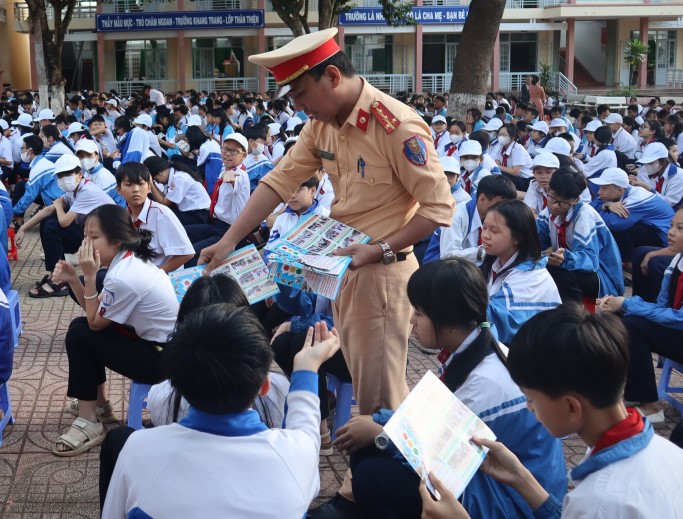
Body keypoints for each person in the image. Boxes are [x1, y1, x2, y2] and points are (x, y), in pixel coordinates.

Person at [199, 28, 453, 421]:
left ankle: (381, 479)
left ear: (333, 77)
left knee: (381, 400)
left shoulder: (396, 126)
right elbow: (279, 181)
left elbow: (437, 208)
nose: (299, 107)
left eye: (301, 94)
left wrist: (379, 249)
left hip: (382, 273)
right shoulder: (322, 125)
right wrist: (230, 240)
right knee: (364, 384)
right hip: (344, 269)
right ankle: (367, 474)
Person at [345, 258, 567, 519]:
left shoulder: (485, 383)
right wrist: (379, 424)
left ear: (448, 321)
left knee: (373, 476)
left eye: (418, 312)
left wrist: (383, 434)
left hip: (511, 503)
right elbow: (430, 419)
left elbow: (441, 457)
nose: (412, 321)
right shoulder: (474, 348)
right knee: (368, 453)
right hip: (494, 483)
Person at [419, 305, 683, 519]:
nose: (529, 408)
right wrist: (522, 479)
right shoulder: (668, 453)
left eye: (531, 399)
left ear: (571, 406)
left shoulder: (598, 501)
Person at [101, 309, 339, 518]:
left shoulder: (137, 449)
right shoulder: (297, 454)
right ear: (264, 386)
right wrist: (306, 368)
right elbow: (304, 421)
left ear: (177, 384)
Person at [51, 205, 179, 456]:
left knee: (81, 334)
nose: (86, 243)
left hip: (162, 359)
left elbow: (95, 323)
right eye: (85, 235)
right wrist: (74, 279)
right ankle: (99, 406)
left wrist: (86, 276)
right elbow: (95, 313)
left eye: (94, 237)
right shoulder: (127, 260)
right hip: (160, 346)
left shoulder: (122, 277)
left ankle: (89, 421)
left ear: (117, 240)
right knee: (80, 328)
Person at [597, 207, 683, 424]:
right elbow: (662, 305)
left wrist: (627, 303)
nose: (670, 232)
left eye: (679, 229)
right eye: (672, 225)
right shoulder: (677, 261)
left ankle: (649, 405)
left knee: (633, 325)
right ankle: (636, 395)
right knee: (625, 321)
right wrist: (623, 305)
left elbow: (679, 318)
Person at [16, 154, 116, 298]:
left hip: (106, 241)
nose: (63, 178)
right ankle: (56, 275)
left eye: (68, 174)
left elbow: (64, 222)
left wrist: (58, 206)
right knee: (48, 221)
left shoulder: (87, 190)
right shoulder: (74, 190)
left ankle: (59, 280)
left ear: (79, 174)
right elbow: (48, 210)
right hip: (92, 236)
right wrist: (22, 229)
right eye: (60, 175)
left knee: (53, 225)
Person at [538, 167, 624, 303]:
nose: (555, 205)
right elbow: (536, 239)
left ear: (575, 200)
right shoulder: (548, 211)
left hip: (602, 276)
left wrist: (564, 258)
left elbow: (590, 261)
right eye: (552, 197)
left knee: (559, 272)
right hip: (577, 270)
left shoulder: (584, 215)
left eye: (562, 202)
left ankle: (572, 316)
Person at [480, 200, 561, 344]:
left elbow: (492, 321)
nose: (485, 235)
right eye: (484, 227)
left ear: (517, 237)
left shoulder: (531, 277)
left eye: (494, 230)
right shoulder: (495, 263)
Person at [184, 133, 251, 266]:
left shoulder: (241, 174)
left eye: (233, 151)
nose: (227, 153)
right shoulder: (224, 169)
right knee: (182, 233)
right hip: (215, 224)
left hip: (229, 233)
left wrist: (228, 175)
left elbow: (234, 178)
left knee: (189, 255)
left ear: (243, 156)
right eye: (225, 148)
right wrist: (225, 173)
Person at [115, 163, 195, 273]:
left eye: (141, 184)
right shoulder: (124, 216)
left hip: (162, 278)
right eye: (129, 185)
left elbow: (186, 253)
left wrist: (156, 276)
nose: (136, 190)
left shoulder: (161, 214)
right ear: (119, 189)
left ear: (149, 187)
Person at [423, 175, 516, 265]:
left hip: (469, 266)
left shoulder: (494, 214)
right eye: (499, 205)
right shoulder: (457, 215)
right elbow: (448, 256)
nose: (503, 209)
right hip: (440, 269)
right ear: (482, 199)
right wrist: (483, 250)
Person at [590, 168, 674, 266]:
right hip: (651, 230)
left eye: (604, 188)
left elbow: (611, 223)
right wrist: (606, 205)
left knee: (621, 227)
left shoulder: (636, 198)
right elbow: (592, 205)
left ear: (620, 190)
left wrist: (602, 208)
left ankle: (628, 264)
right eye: (600, 187)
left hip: (665, 240)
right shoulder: (618, 192)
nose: (599, 192)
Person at [11, 135, 62, 227]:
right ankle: (18, 218)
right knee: (22, 185)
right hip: (54, 195)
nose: (21, 151)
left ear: (30, 150)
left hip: (54, 200)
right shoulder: (42, 162)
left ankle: (18, 221)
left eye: (23, 148)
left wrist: (13, 211)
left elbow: (29, 196)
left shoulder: (38, 167)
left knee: (20, 187)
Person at [144, 156, 211, 225]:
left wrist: (151, 184)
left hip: (199, 215)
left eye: (156, 179)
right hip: (192, 213)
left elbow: (164, 203)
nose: (157, 182)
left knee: (161, 217)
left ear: (162, 172)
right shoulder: (174, 175)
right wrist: (152, 184)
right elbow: (165, 198)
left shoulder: (179, 178)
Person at [74, 139, 126, 207]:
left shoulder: (103, 177)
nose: (85, 159)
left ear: (97, 156)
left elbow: (96, 204)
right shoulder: (87, 172)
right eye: (81, 156)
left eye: (89, 155)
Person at [633, 141, 683, 207]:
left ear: (663, 161)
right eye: (644, 163)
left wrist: (649, 189)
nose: (646, 166)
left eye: (650, 163)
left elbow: (668, 203)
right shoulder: (643, 170)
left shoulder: (679, 175)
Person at [491, 123, 533, 191]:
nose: (500, 137)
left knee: (501, 177)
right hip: (513, 178)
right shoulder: (500, 146)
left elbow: (515, 172)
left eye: (504, 135)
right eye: (499, 134)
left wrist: (499, 167)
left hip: (525, 181)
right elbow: (497, 163)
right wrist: (498, 166)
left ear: (512, 137)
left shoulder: (518, 149)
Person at [243, 124, 275, 193]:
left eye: (263, 143)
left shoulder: (260, 158)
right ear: (251, 142)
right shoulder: (248, 157)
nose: (262, 146)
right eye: (260, 142)